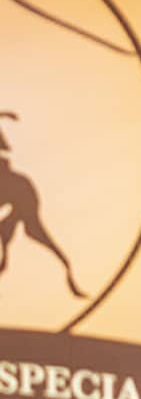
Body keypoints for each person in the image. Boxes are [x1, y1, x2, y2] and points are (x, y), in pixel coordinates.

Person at [0, 113, 86, 299]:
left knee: (32, 230)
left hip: (17, 193)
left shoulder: (16, 183)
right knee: (26, 230)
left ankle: (6, 259)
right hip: (15, 194)